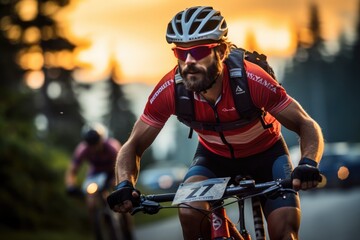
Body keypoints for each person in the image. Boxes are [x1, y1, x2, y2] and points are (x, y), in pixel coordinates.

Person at [110, 6, 324, 240]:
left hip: (267, 156)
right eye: (181, 53)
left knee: (284, 232)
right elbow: (133, 145)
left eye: (200, 51)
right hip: (214, 158)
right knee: (188, 211)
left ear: (221, 51)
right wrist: (124, 185)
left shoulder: (251, 79)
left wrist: (308, 163)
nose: (189, 61)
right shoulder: (171, 90)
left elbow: (306, 124)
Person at [65, 123, 134, 240]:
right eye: (90, 144)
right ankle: (97, 229)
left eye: (96, 142)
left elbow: (121, 166)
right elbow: (72, 170)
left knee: (121, 198)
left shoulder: (112, 146)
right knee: (91, 202)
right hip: (95, 175)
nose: (93, 147)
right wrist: (70, 185)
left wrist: (117, 181)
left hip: (113, 172)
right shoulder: (83, 149)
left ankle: (128, 230)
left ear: (102, 139)